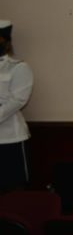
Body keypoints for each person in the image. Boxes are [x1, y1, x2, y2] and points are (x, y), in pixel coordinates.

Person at [0, 20, 33, 192]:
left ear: (5, 41)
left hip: (10, 139)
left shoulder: (19, 68)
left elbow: (18, 100)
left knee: (13, 190)